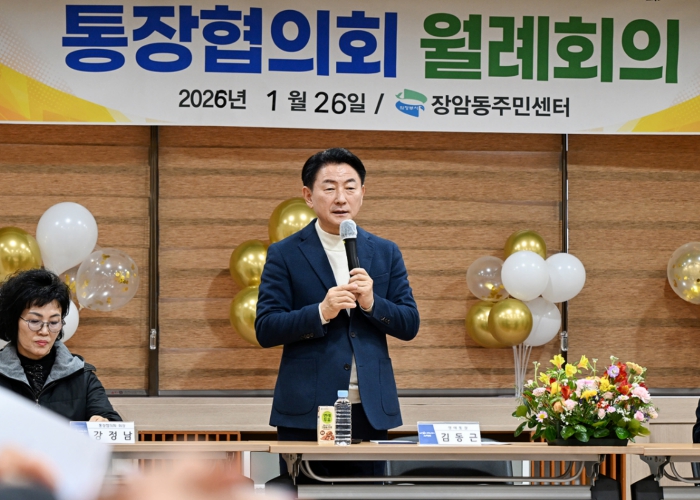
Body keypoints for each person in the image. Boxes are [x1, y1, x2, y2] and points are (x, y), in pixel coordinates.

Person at [255, 148, 420, 480]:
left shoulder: (385, 252)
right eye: (329, 188)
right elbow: (266, 327)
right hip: (308, 409)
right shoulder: (285, 253)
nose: (341, 197)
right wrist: (321, 311)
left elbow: (409, 323)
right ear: (308, 196)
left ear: (363, 193)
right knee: (305, 492)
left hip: (369, 408)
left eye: (350, 187)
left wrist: (372, 303)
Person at [0, 269, 121, 422]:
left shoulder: (82, 376)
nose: (44, 331)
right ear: (13, 321)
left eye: (53, 322)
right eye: (35, 321)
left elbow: (112, 423)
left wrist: (103, 422)